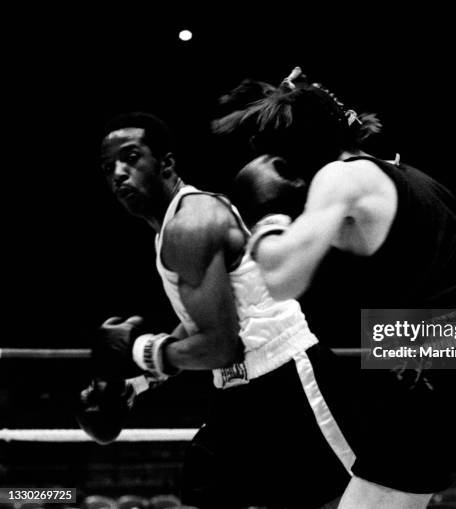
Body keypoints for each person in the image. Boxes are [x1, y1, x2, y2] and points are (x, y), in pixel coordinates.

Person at [213, 68, 456, 509]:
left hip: (424, 382)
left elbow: (283, 280)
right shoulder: (421, 181)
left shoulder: (340, 178)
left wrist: (268, 218)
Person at [79, 111, 356, 508]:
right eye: (109, 168)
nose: (119, 173)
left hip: (290, 383)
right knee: (204, 490)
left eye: (131, 157)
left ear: (166, 164)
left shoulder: (191, 223)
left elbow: (221, 346)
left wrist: (137, 348)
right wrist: (137, 384)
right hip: (238, 392)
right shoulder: (171, 229)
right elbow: (202, 324)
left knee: (351, 500)